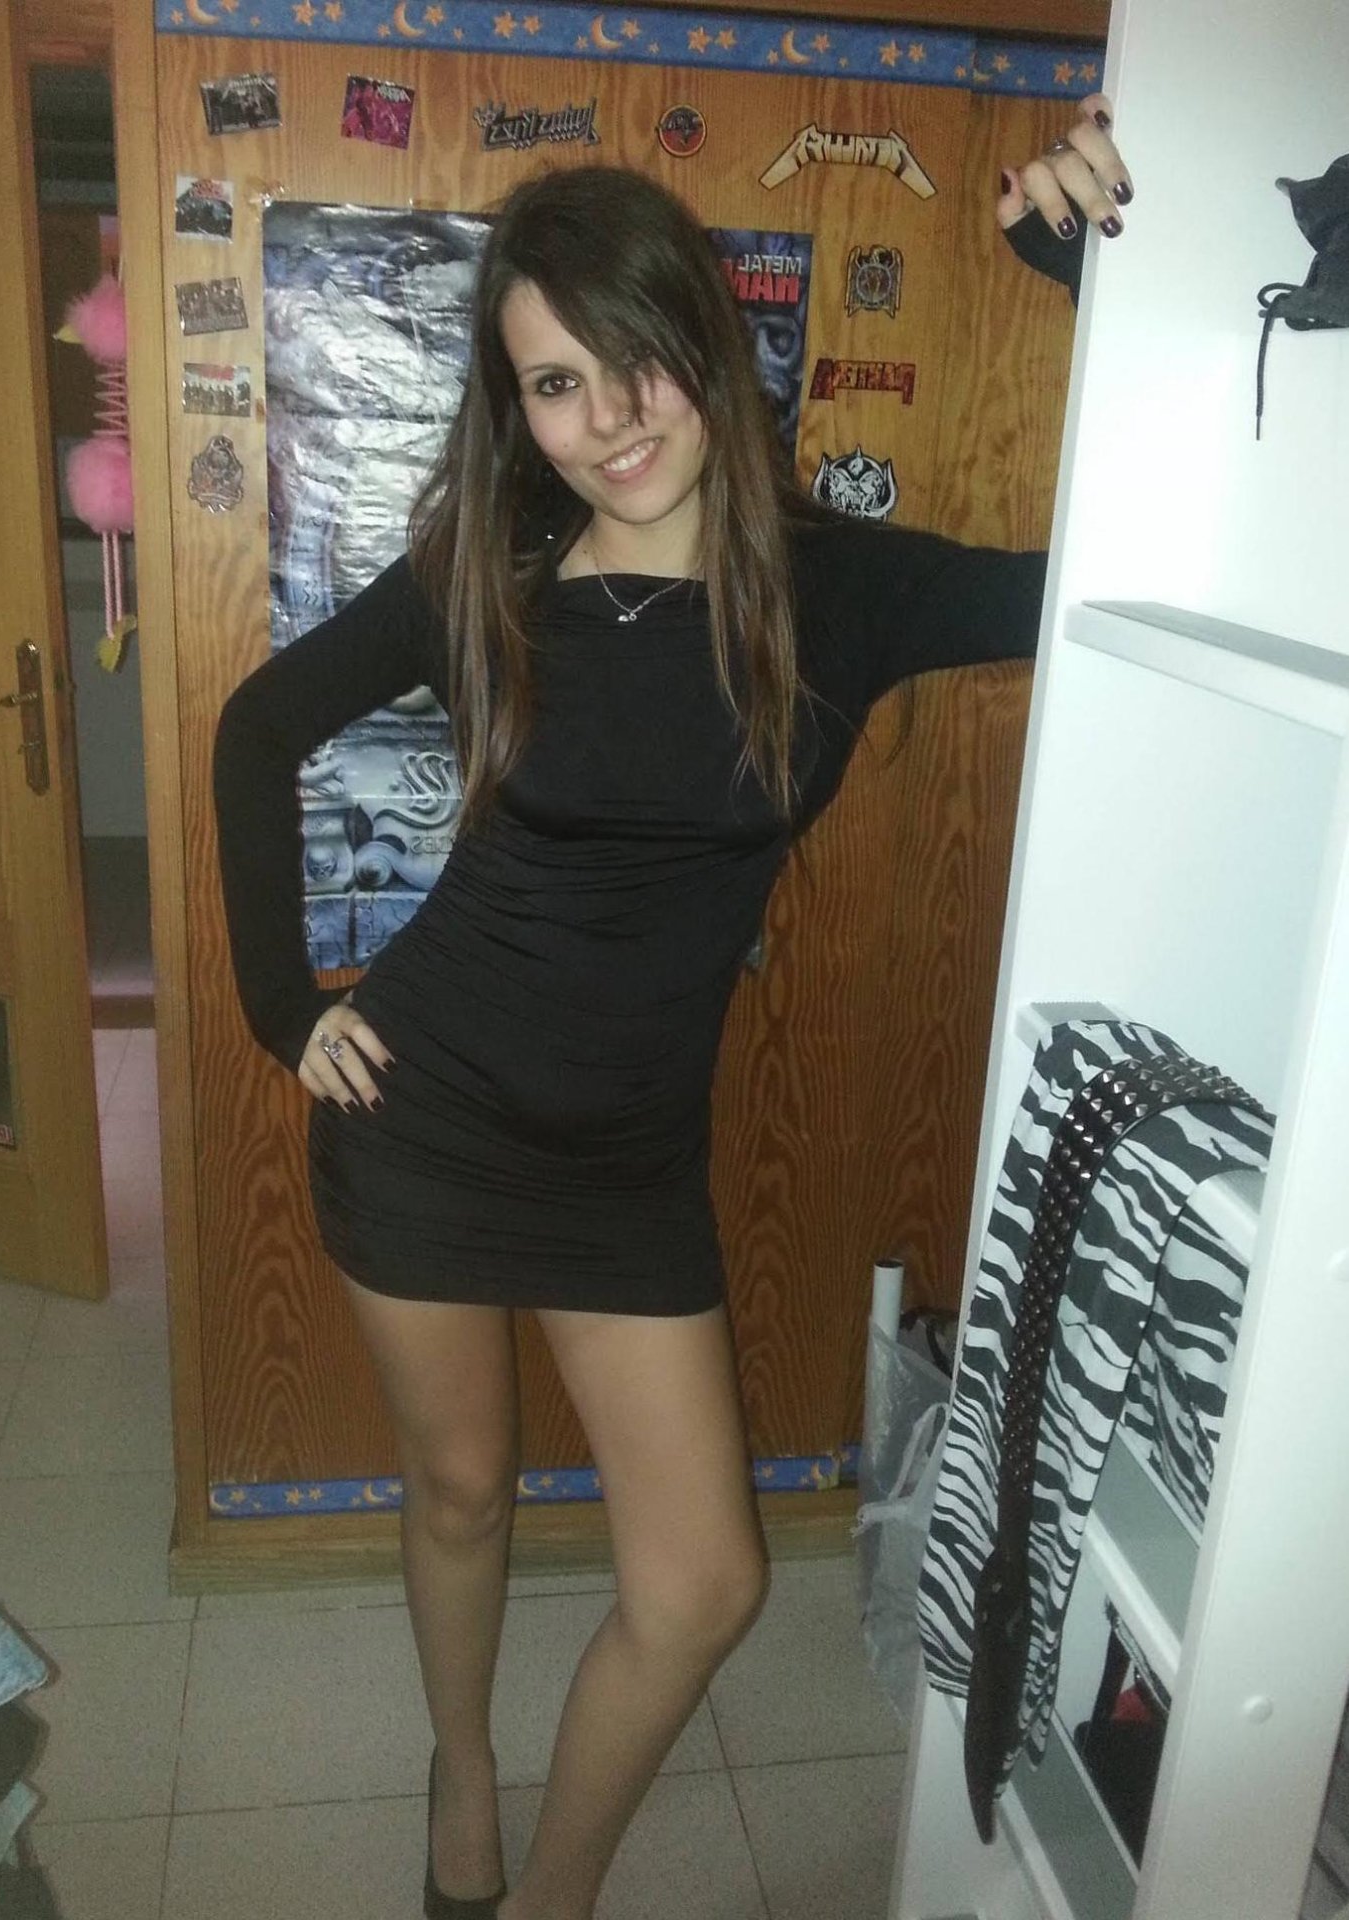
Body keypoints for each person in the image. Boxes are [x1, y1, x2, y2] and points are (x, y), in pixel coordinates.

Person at [214, 97, 1133, 1920]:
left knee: (704, 1583)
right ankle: (462, 1775)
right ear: (518, 413)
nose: (609, 417)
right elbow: (259, 730)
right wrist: (278, 1005)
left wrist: (1093, 286)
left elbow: (1109, 583)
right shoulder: (494, 573)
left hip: (628, 1167)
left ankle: (552, 1896)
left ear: (708, 344)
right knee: (462, 1491)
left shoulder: (844, 591)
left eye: (633, 359)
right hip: (424, 1116)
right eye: (554, 386)